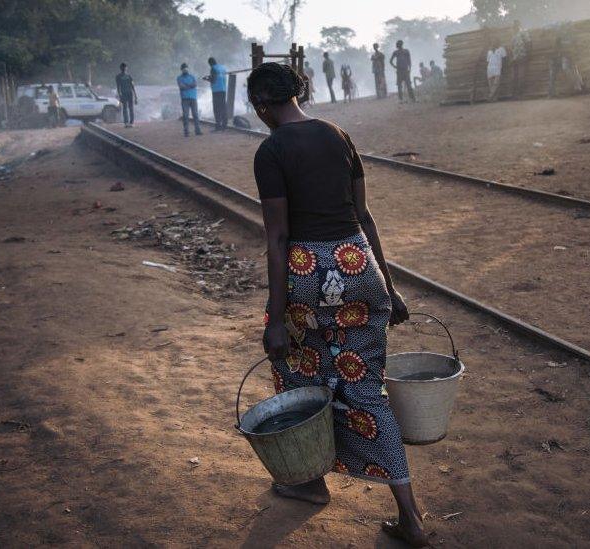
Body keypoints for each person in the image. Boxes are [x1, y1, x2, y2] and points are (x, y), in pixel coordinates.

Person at [247, 62, 428, 548]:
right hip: (357, 265)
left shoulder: (271, 150)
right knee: (367, 393)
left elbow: (278, 237)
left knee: (303, 381)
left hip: (308, 274)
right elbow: (365, 217)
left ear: (262, 106)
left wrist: (276, 316)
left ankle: (308, 480)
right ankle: (410, 518)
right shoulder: (338, 135)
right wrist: (388, 288)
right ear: (298, 93)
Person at [177, 62, 202, 137]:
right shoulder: (179, 78)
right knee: (185, 115)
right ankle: (186, 131)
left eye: (186, 68)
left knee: (195, 114)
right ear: (181, 70)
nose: (185, 69)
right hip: (185, 98)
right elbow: (182, 87)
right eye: (184, 68)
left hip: (192, 98)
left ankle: (197, 131)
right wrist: (190, 86)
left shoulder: (192, 76)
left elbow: (194, 84)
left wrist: (186, 86)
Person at [205, 57, 229, 131]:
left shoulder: (213, 69)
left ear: (210, 63)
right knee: (223, 107)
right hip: (223, 89)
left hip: (216, 91)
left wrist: (207, 79)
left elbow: (214, 80)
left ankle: (218, 126)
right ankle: (225, 125)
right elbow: (222, 78)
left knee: (217, 109)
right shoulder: (222, 68)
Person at [511, 20, 532, 97]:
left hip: (523, 57)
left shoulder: (524, 33)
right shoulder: (513, 36)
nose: (514, 27)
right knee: (514, 77)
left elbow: (529, 43)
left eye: (515, 25)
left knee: (521, 76)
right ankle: (514, 94)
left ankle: (520, 94)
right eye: (513, 25)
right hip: (515, 58)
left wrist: (528, 55)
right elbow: (512, 48)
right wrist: (512, 58)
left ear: (519, 25)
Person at [115, 62, 138, 127]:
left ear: (126, 68)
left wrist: (136, 96)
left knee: (131, 108)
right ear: (120, 68)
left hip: (130, 93)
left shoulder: (129, 76)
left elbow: (132, 86)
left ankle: (131, 122)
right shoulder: (118, 76)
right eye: (123, 67)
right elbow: (118, 86)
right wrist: (119, 95)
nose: (124, 68)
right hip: (123, 94)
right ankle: (126, 122)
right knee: (124, 108)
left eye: (125, 67)